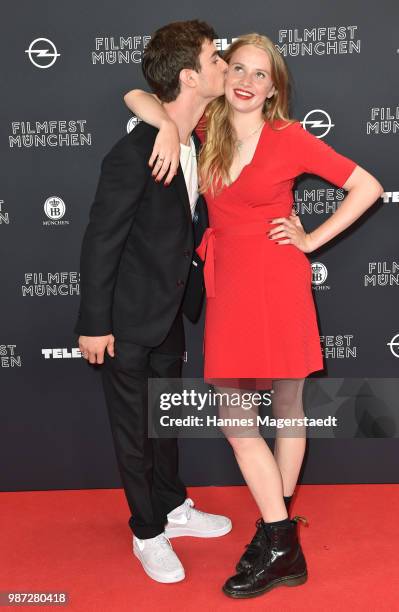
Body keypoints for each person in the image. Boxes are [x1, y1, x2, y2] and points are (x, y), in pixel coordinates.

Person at [124, 33, 383, 598]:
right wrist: (167, 126)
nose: (244, 80)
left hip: (278, 280)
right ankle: (280, 535)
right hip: (228, 285)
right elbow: (135, 97)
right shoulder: (206, 126)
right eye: (236, 67)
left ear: (273, 88)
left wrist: (311, 239)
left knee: (288, 406)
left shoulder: (289, 137)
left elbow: (367, 185)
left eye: (259, 74)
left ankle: (275, 532)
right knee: (238, 419)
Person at [74, 20, 232, 586]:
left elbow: (143, 94)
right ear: (190, 75)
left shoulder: (191, 137)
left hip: (169, 314)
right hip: (123, 319)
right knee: (133, 428)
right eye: (215, 58)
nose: (223, 65)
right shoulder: (135, 151)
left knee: (163, 422)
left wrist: (167, 119)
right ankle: (147, 531)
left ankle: (170, 506)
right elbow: (101, 239)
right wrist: (94, 323)